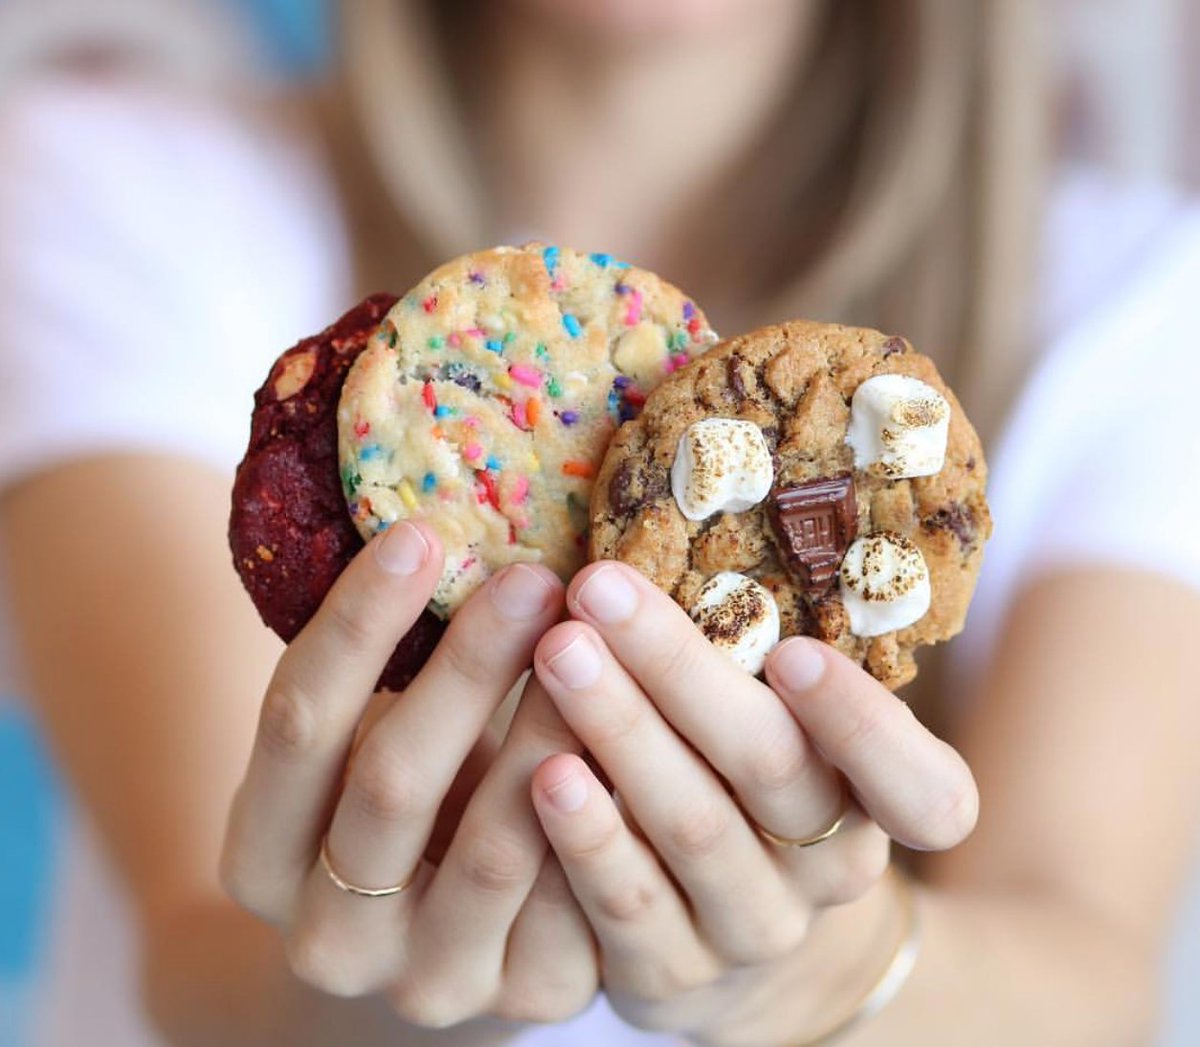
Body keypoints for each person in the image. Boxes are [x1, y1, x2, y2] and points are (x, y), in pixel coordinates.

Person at [2, 1, 1199, 1044]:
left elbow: (1088, 975)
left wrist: (820, 979)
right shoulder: (109, 188)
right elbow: (196, 942)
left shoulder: (1132, 301)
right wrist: (350, 996)